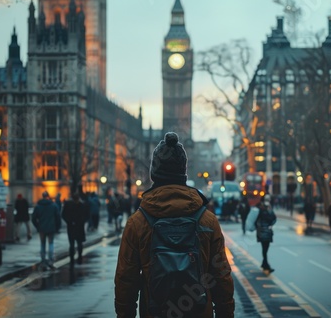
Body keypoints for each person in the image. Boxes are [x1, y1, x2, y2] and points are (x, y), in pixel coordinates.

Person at [114, 132, 235, 318]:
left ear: (154, 172)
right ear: (183, 172)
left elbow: (125, 281)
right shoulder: (208, 221)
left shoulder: (137, 223)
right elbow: (221, 277)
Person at [246, 194, 277, 275]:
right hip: (265, 232)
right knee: (265, 249)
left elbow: (272, 219)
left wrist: (256, 227)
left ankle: (265, 264)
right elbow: (273, 219)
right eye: (267, 199)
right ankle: (266, 265)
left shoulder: (262, 208)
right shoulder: (264, 209)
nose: (268, 201)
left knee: (265, 249)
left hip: (263, 231)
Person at [32, 191, 61, 269]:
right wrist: (57, 227)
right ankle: (51, 260)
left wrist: (37, 226)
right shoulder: (53, 206)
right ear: (48, 196)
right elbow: (58, 217)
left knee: (42, 244)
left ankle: (43, 261)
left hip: (41, 228)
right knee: (51, 244)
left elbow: (33, 218)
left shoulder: (38, 206)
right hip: (51, 227)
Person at [62, 192, 90, 266]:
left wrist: (69, 222)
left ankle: (72, 259)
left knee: (72, 244)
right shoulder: (82, 205)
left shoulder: (68, 205)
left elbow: (63, 215)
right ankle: (79, 258)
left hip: (71, 226)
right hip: (79, 226)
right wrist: (82, 221)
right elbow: (87, 215)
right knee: (79, 243)